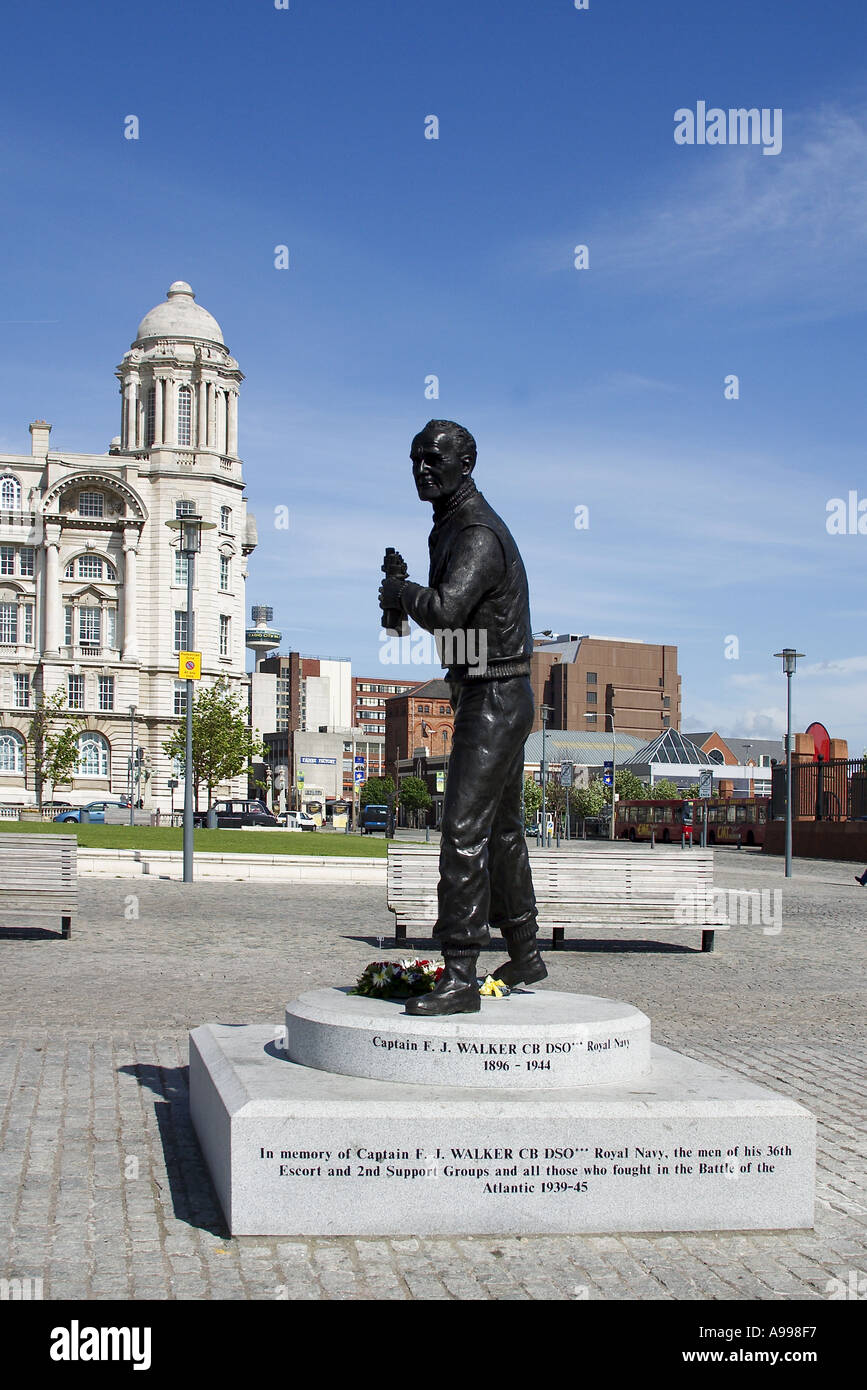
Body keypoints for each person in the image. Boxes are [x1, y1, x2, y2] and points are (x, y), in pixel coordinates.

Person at [378, 420, 546, 1015]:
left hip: (495, 696)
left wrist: (403, 594)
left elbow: (448, 612)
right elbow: (460, 632)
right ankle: (525, 951)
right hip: (484, 688)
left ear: (465, 465)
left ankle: (460, 973)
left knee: (462, 830)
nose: (422, 469)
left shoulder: (475, 532)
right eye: (415, 459)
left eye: (433, 459)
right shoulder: (447, 524)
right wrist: (402, 599)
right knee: (501, 830)